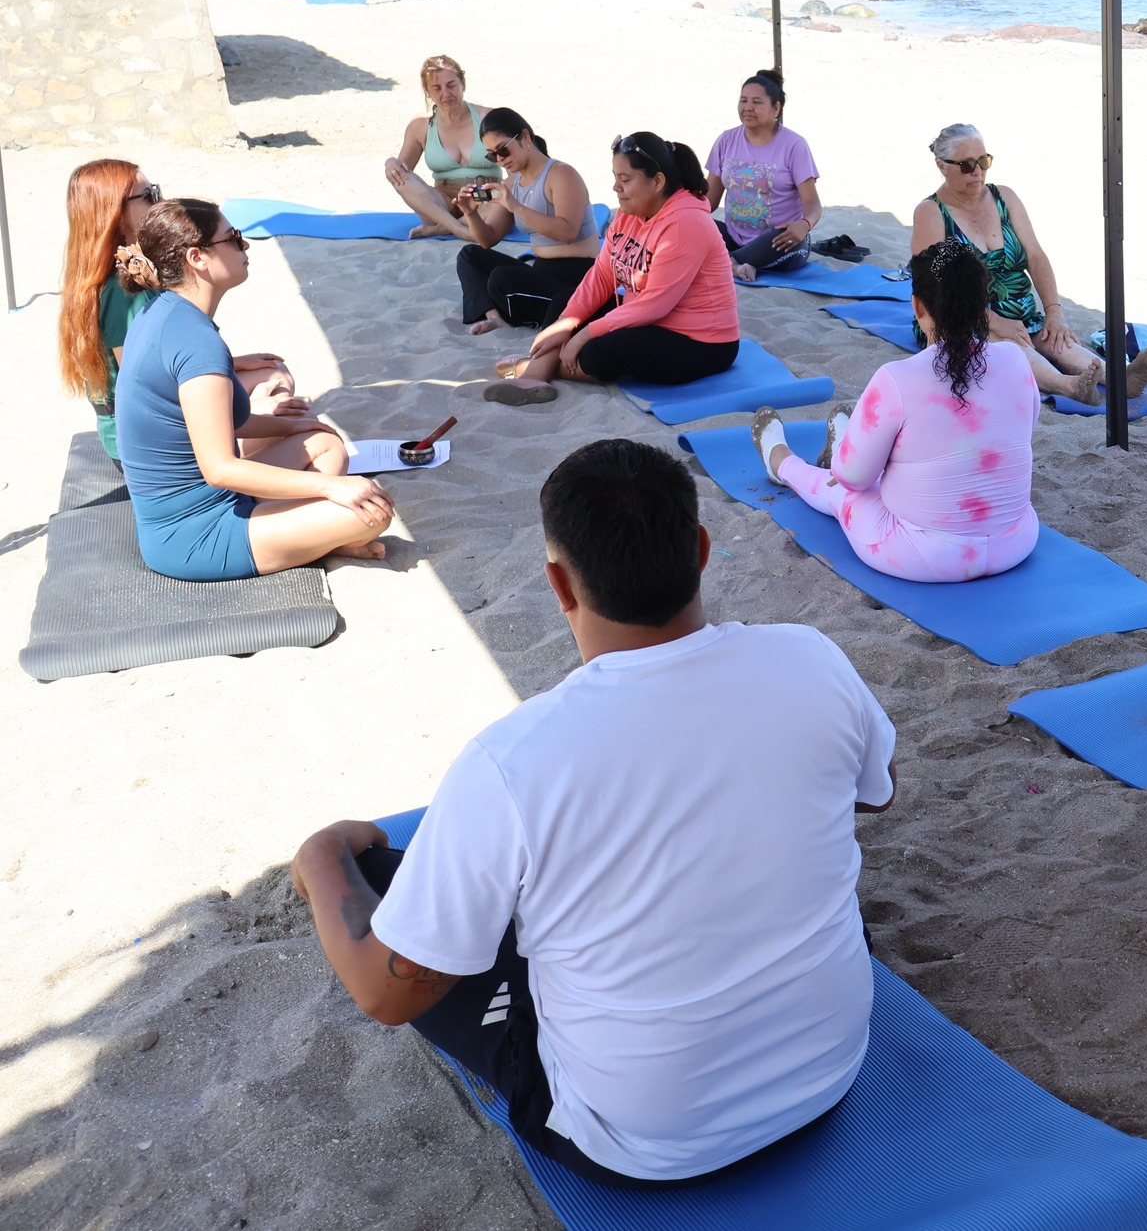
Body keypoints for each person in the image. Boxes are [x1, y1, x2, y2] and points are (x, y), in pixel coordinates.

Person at [290, 439, 894, 1186]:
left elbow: (384, 993)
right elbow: (876, 790)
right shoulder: (813, 659)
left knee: (387, 883)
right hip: (828, 1073)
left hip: (640, 1145)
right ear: (701, 549)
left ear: (557, 583)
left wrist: (321, 859)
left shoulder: (514, 761)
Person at [113, 198, 393, 580]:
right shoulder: (195, 341)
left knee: (325, 443)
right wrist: (330, 487)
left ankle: (309, 537)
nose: (245, 247)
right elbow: (220, 469)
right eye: (234, 238)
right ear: (197, 257)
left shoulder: (165, 311)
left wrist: (290, 427)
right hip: (193, 536)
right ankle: (314, 539)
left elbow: (207, 422)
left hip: (209, 502)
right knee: (372, 510)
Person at [750, 240, 1040, 583]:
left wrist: (853, 468)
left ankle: (781, 461)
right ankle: (846, 441)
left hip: (927, 557)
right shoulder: (1016, 360)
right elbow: (1022, 429)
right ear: (983, 306)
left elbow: (853, 479)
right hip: (1016, 542)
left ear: (917, 306)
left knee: (842, 488)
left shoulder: (897, 378)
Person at [58, 159, 300, 464]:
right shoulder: (121, 295)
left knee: (272, 375)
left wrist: (236, 364)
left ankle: (256, 462)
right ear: (115, 214)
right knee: (275, 392)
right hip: (143, 443)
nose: (161, 201)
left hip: (141, 425)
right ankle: (253, 471)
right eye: (148, 195)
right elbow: (144, 382)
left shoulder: (121, 272)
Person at [909, 123, 1147, 404]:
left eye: (984, 161)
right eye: (967, 165)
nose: (978, 171)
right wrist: (992, 320)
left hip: (1019, 311)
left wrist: (1054, 311)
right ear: (942, 166)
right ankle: (1068, 386)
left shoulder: (1004, 196)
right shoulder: (931, 213)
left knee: (1052, 337)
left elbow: (1036, 256)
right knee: (1007, 342)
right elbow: (934, 288)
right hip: (960, 315)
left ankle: (1120, 378)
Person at [486, 134, 738, 407]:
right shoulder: (629, 211)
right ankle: (536, 375)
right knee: (565, 303)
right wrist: (568, 322)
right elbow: (602, 275)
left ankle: (536, 367)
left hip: (701, 342)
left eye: (626, 179)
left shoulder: (686, 224)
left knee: (603, 349)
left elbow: (655, 305)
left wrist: (583, 333)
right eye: (616, 177)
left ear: (657, 181)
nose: (616, 187)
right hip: (650, 320)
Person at [411, 108, 604, 335]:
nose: (500, 160)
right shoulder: (513, 184)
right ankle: (496, 317)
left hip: (576, 276)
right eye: (492, 155)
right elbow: (488, 239)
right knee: (470, 256)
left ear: (524, 137)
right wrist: (470, 212)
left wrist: (516, 207)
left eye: (503, 150)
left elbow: (567, 232)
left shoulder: (561, 174)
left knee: (502, 279)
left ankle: (513, 315)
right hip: (541, 270)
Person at [705, 69, 823, 282]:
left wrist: (804, 224)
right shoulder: (726, 140)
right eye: (743, 100)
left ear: (775, 108)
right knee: (695, 224)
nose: (748, 108)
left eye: (757, 102)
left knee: (785, 240)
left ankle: (726, 262)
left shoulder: (794, 145)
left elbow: (812, 202)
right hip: (732, 237)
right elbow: (708, 201)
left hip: (779, 241)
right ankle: (735, 263)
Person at [382, 55, 500, 240]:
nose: (446, 94)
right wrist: (390, 163)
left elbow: (519, 166)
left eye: (451, 85)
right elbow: (403, 171)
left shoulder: (489, 119)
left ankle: (442, 229)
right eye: (437, 88)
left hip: (484, 197)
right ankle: (460, 229)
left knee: (502, 198)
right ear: (427, 91)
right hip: (442, 203)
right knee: (400, 177)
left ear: (462, 83)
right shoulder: (420, 125)